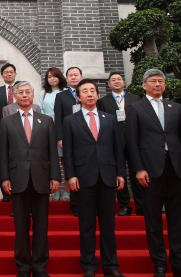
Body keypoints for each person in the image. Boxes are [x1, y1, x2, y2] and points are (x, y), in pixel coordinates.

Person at [126, 69, 181, 277]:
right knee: (153, 220)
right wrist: (138, 168)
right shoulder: (135, 108)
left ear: (165, 86)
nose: (157, 84)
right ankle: (159, 264)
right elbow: (132, 142)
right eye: (153, 81)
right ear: (144, 85)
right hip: (150, 171)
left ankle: (180, 264)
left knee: (178, 219)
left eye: (160, 81)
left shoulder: (175, 108)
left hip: (175, 169)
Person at [63, 79, 126, 277]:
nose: (90, 94)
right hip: (83, 178)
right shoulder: (70, 120)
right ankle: (89, 266)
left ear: (98, 95)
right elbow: (69, 153)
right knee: (87, 226)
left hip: (107, 177)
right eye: (85, 91)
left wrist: (120, 173)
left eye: (93, 91)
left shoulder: (109, 119)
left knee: (108, 226)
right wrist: (71, 176)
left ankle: (111, 267)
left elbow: (118, 149)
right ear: (79, 97)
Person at [0, 81, 60, 277]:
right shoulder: (7, 122)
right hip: (17, 178)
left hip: (42, 178)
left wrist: (55, 177)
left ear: (33, 96)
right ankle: (24, 267)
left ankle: (41, 266)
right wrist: (5, 177)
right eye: (21, 93)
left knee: (42, 226)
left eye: (28, 92)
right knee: (21, 225)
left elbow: (52, 151)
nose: (25, 95)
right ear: (15, 97)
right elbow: (4, 153)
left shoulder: (46, 120)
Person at [97, 72, 142, 216]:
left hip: (135, 142)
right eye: (113, 80)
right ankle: (124, 205)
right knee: (119, 174)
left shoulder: (135, 99)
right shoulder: (103, 102)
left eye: (119, 79)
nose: (116, 82)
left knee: (137, 173)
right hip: (114, 142)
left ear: (124, 82)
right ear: (108, 84)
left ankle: (141, 205)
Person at [54, 67, 83, 213]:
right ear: (66, 79)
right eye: (70, 75)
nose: (73, 77)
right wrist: (60, 137)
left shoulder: (87, 92)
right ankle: (75, 204)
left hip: (86, 138)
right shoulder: (61, 96)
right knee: (70, 168)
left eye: (76, 75)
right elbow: (58, 118)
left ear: (81, 77)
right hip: (68, 137)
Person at [38, 67, 68, 201]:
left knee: (64, 161)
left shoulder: (66, 92)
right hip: (47, 129)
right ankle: (54, 190)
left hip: (63, 129)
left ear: (60, 77)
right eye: (49, 76)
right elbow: (40, 111)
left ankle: (66, 190)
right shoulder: (43, 93)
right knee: (50, 160)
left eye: (55, 76)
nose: (52, 79)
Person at [0, 63, 17, 203]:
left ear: (15, 74)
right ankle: (6, 192)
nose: (9, 74)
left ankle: (18, 188)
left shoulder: (22, 90)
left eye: (12, 72)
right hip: (3, 131)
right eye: (6, 72)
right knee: (4, 160)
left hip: (20, 131)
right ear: (2, 76)